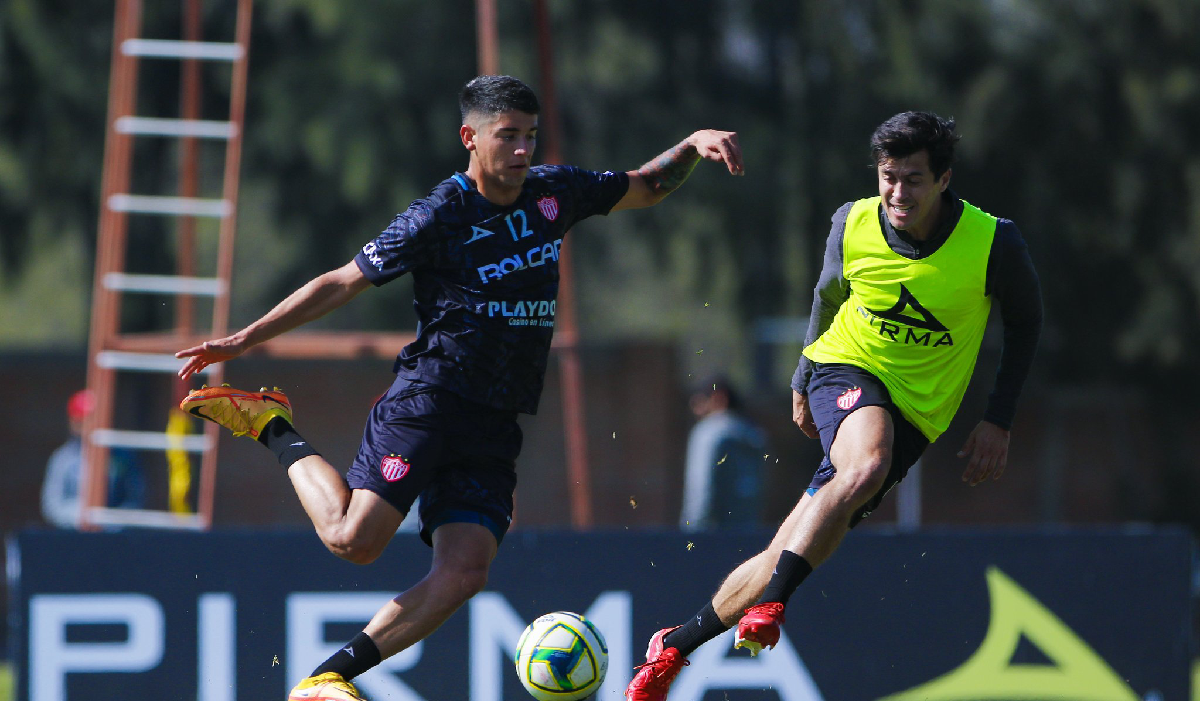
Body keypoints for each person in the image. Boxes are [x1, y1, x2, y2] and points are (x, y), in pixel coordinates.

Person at [174, 75, 743, 701]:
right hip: (432, 399)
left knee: (465, 571)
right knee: (352, 541)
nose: (523, 150)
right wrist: (245, 339)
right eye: (508, 137)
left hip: (497, 421)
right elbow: (341, 281)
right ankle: (270, 423)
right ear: (470, 137)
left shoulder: (556, 192)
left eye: (530, 135)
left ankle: (329, 678)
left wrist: (691, 145)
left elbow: (648, 187)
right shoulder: (439, 214)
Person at [624, 111, 1042, 700]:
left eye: (914, 179)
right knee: (866, 464)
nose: (898, 193)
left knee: (786, 547)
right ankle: (773, 604)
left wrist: (998, 418)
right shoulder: (853, 222)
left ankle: (672, 648)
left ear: (944, 180)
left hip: (919, 413)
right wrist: (801, 379)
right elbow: (826, 298)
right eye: (888, 176)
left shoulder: (994, 240)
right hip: (844, 367)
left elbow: (1026, 323)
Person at [41, 389, 145, 528]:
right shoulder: (62, 458)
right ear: (74, 423)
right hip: (72, 536)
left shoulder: (123, 456)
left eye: (96, 419)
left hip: (115, 537)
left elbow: (134, 498)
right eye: (84, 420)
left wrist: (110, 520)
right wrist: (81, 516)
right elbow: (53, 505)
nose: (91, 426)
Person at [680, 376, 768, 531]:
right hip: (747, 533)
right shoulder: (755, 436)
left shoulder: (709, 433)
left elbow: (702, 490)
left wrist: (692, 533)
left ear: (718, 398)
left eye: (700, 402)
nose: (696, 410)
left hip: (710, 536)